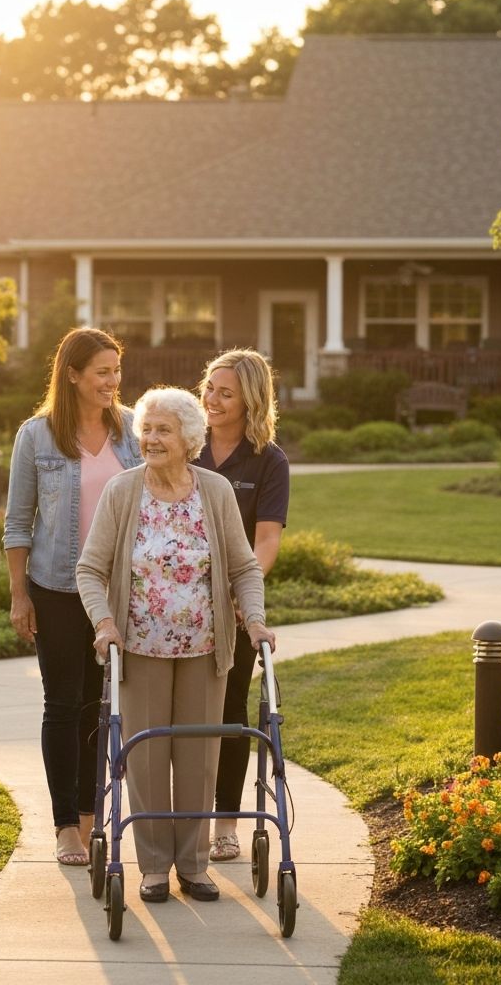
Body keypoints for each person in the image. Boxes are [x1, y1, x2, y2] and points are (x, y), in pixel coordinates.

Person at [76, 386, 277, 904]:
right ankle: (153, 868)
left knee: (197, 758)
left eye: (163, 429)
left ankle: (193, 865)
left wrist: (254, 619)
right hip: (139, 646)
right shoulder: (123, 491)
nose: (151, 438)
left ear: (189, 438)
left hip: (205, 649)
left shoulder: (214, 491)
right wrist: (104, 623)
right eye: (146, 429)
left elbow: (243, 566)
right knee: (144, 758)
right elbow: (90, 569)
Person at [3, 327, 141, 867]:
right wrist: (20, 596)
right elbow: (18, 523)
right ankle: (66, 826)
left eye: (116, 371)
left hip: (115, 592)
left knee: (101, 707)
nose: (112, 381)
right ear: (73, 374)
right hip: (57, 589)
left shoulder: (132, 431)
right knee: (62, 704)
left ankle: (90, 817)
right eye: (102, 372)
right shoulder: (36, 437)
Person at [193, 348, 289, 863]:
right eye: (209, 387)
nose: (211, 399)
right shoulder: (187, 444)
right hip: (175, 607)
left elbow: (266, 538)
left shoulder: (268, 460)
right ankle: (182, 821)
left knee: (229, 715)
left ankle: (225, 824)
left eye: (225, 393)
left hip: (232, 612)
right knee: (180, 718)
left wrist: (239, 591)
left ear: (250, 400)